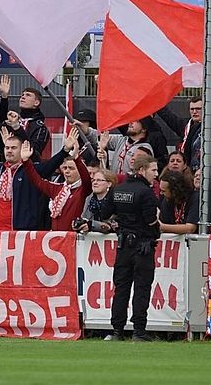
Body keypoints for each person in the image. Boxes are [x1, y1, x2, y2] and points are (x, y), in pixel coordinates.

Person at [98, 153, 161, 341]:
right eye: (153, 170)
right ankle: (139, 331)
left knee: (121, 288)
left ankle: (117, 330)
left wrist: (120, 220)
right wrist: (155, 226)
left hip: (123, 245)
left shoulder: (119, 189)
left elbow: (105, 213)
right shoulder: (146, 192)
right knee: (141, 288)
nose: (156, 174)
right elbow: (151, 220)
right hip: (143, 246)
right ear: (142, 170)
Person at [22, 129, 92, 231]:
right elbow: (37, 181)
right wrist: (26, 162)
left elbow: (86, 179)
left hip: (73, 239)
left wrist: (77, 159)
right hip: (56, 239)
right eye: (65, 168)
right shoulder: (57, 188)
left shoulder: (82, 189)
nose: (67, 171)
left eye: (71, 168)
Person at [0, 75, 49, 159]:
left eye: (28, 95)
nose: (23, 97)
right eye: (22, 95)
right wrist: (4, 97)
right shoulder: (14, 120)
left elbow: (34, 152)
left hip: (26, 168)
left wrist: (17, 128)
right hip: (7, 166)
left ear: (36, 103)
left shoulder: (40, 128)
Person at [157, 169, 198, 234]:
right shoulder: (167, 200)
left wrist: (161, 227)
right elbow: (164, 221)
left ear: (174, 191)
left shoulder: (194, 198)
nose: (161, 193)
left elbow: (190, 228)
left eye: (164, 191)